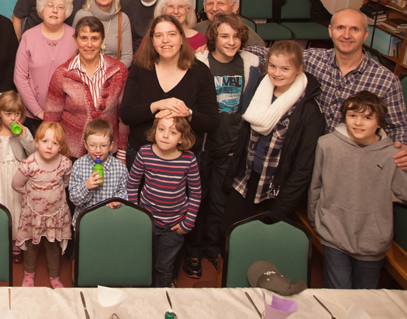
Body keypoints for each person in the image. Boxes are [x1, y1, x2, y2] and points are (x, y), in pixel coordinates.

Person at [245, 8, 407, 170]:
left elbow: (399, 125)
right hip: (304, 153)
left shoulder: (386, 80)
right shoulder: (313, 59)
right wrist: (232, 43)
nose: (346, 35)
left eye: (354, 29)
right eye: (340, 28)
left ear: (365, 34)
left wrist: (406, 147)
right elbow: (269, 54)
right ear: (330, 31)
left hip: (347, 160)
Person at [308, 92, 407, 290]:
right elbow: (316, 185)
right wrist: (316, 220)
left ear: (379, 123)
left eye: (367, 117)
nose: (358, 122)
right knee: (338, 296)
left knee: (367, 297)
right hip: (333, 233)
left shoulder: (393, 155)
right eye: (353, 116)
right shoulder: (327, 144)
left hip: (373, 241)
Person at [182, 14, 262, 279]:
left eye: (236, 36)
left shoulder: (251, 64)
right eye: (224, 36)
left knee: (220, 201)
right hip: (202, 146)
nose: (231, 42)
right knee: (198, 199)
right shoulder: (200, 62)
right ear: (214, 37)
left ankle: (212, 248)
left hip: (231, 146)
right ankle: (193, 252)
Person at [220, 40, 326, 232]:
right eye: (273, 66)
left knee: (263, 238)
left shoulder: (309, 110)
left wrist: (282, 207)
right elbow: (245, 133)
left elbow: (303, 165)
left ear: (298, 69)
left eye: (285, 68)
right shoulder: (261, 89)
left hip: (277, 187)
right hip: (248, 177)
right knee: (228, 231)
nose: (277, 73)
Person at [119, 15, 220, 168]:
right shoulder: (140, 68)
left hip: (185, 160)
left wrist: (187, 113)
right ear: (152, 40)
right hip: (142, 155)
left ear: (181, 38)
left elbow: (212, 122)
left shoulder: (200, 72)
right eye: (159, 35)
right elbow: (126, 114)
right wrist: (157, 105)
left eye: (172, 34)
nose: (165, 40)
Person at [127, 116, 201, 287]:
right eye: (161, 129)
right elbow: (132, 184)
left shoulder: (188, 159)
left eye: (173, 132)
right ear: (155, 130)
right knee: (144, 263)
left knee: (164, 267)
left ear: (181, 138)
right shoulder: (145, 153)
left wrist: (188, 223)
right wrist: (137, 215)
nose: (165, 135)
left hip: (174, 226)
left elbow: (196, 193)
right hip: (148, 223)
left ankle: (161, 296)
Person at [43, 16, 128, 160]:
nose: (89, 44)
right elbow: (51, 119)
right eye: (84, 38)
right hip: (69, 153)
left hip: (107, 152)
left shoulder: (118, 71)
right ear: (75, 39)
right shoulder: (62, 73)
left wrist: (122, 154)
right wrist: (51, 154)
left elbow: (124, 118)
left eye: (94, 38)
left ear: (102, 40)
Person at [12, 121, 72, 289]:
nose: (49, 146)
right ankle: (29, 274)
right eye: (45, 141)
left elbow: (65, 183)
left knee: (53, 246)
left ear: (60, 147)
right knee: (32, 245)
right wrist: (33, 196)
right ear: (37, 142)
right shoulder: (29, 164)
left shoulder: (65, 163)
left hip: (55, 215)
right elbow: (16, 185)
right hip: (34, 214)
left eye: (55, 143)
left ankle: (54, 276)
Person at [14, 0, 79, 135]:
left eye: (60, 7)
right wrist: (38, 112)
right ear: (41, 9)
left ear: (67, 11)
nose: (55, 10)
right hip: (32, 117)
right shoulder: (28, 36)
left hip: (66, 117)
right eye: (50, 5)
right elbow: (19, 77)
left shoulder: (75, 38)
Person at [0, 91, 35, 264]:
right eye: (8, 114)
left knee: (16, 208)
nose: (13, 118)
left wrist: (23, 137)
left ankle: (16, 244)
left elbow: (33, 153)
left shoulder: (24, 132)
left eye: (16, 114)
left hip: (15, 175)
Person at [68, 119, 127, 227]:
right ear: (86, 145)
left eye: (103, 146)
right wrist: (86, 186)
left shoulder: (120, 168)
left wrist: (118, 201)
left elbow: (125, 192)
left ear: (111, 146)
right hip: (85, 224)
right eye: (93, 145)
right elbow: (74, 199)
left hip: (111, 223)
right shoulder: (79, 166)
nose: (98, 150)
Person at [73, 0, 133, 68]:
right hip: (84, 72)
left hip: (114, 72)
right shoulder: (81, 16)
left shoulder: (123, 19)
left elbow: (127, 56)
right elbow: (73, 51)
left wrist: (111, 73)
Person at [193, 0, 265, 46]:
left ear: (233, 7)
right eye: (210, 3)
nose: (214, 8)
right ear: (204, 6)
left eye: (221, 3)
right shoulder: (196, 29)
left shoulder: (247, 35)